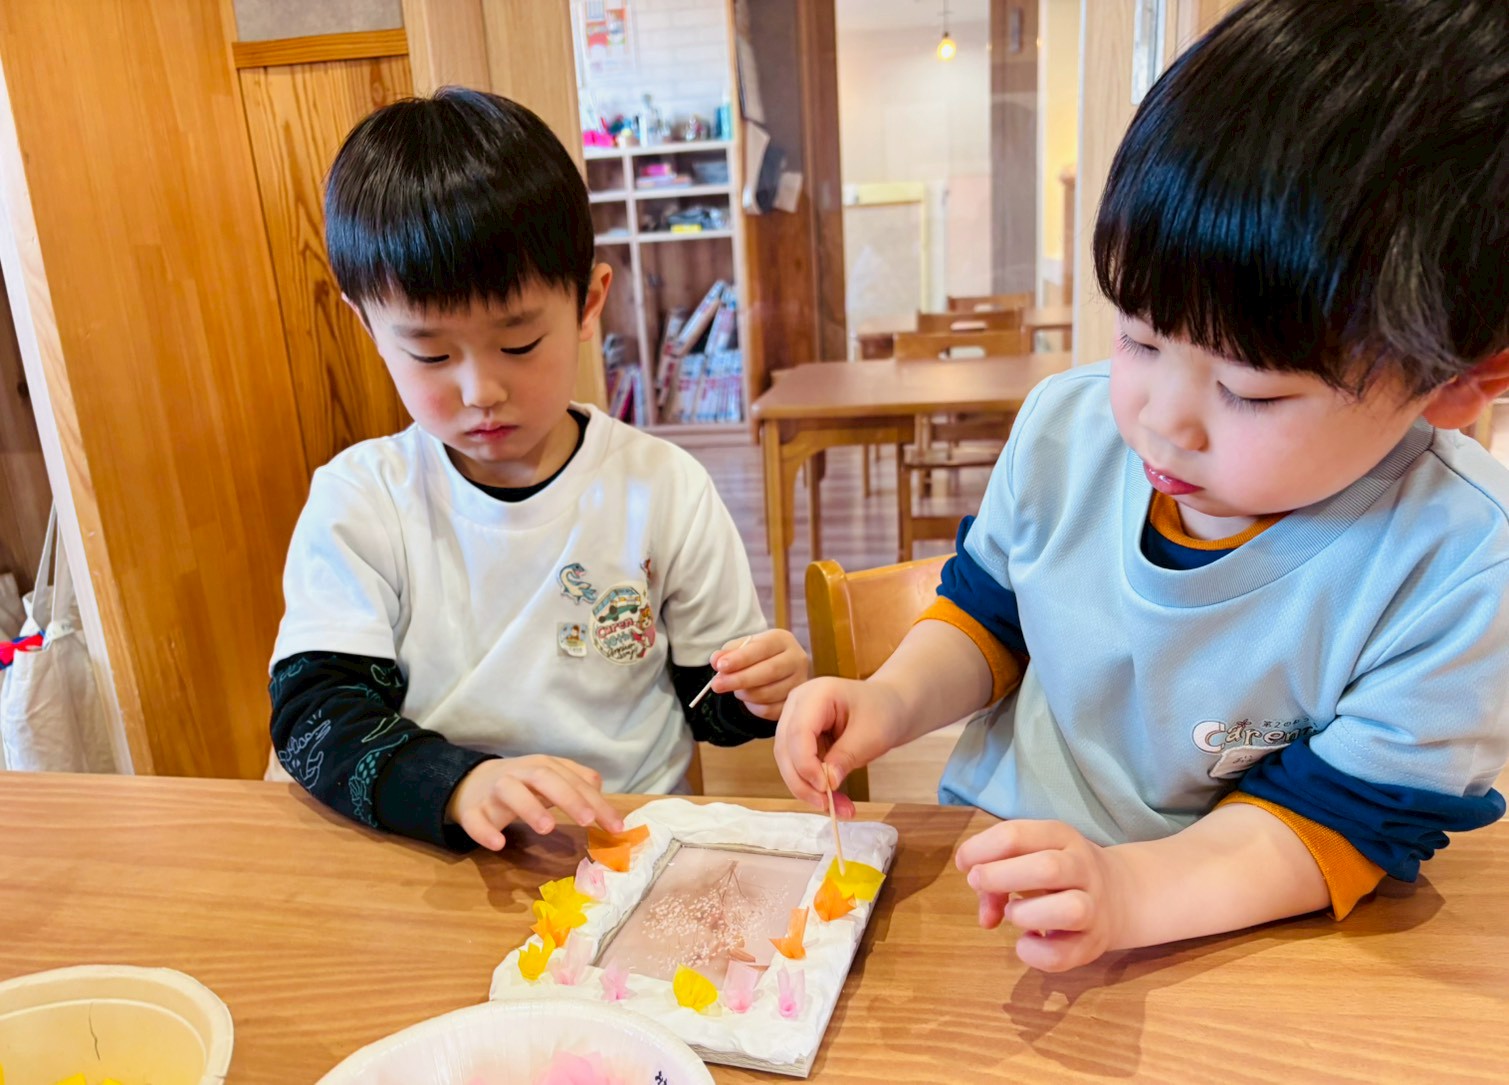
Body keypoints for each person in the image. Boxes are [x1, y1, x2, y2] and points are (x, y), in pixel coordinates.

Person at [775, 0, 1509, 972]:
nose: (1161, 419)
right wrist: (891, 699)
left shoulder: (1457, 564)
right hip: (994, 871)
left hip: (1246, 939)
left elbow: (1340, 817)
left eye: (1250, 390)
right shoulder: (1067, 431)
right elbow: (991, 616)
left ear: (1461, 380)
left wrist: (1130, 890)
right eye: (1138, 337)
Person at [270, 88, 806, 852]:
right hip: (440, 851)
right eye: (429, 353)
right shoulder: (362, 500)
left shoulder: (663, 486)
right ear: (368, 325)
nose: (480, 390)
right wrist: (458, 783)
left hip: (629, 841)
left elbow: (708, 706)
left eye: (518, 344)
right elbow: (316, 717)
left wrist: (758, 691)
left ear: (588, 302)